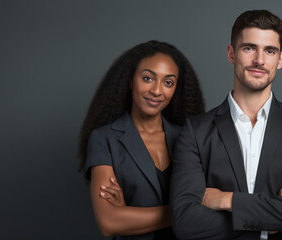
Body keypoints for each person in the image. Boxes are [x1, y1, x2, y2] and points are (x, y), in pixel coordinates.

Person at [170, 10, 282, 240]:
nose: (259, 60)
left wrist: (226, 200)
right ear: (231, 53)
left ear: (280, 59)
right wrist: (275, 217)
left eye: (270, 51)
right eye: (249, 48)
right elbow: (186, 222)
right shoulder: (196, 131)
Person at [78, 40, 205, 240]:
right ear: (130, 81)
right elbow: (109, 222)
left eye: (168, 82)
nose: (157, 90)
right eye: (147, 78)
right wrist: (187, 211)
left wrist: (130, 214)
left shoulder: (189, 137)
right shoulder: (104, 139)